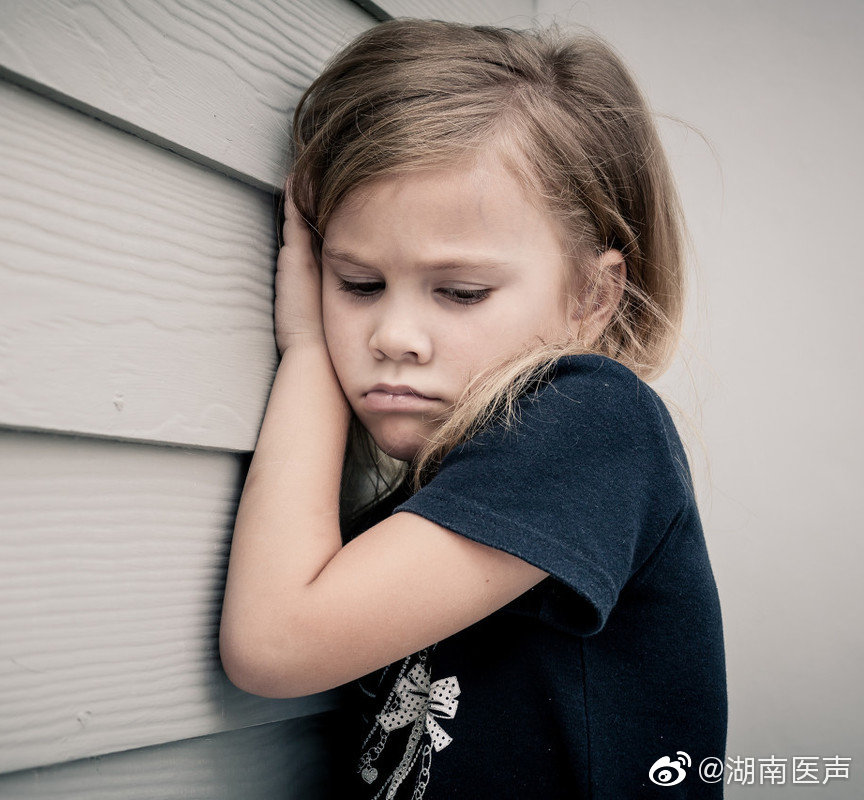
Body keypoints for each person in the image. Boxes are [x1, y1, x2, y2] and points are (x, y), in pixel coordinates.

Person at [219, 18, 727, 800]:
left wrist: (311, 350)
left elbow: (275, 644)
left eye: (459, 292)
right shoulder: (438, 490)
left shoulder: (594, 422)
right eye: (356, 283)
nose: (393, 336)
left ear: (593, 296)